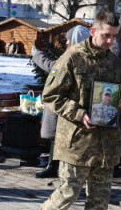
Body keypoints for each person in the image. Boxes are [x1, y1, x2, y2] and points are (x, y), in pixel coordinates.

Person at [30, 10, 121, 210]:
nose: (110, 41)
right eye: (106, 35)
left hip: (106, 143)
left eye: (114, 36)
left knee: (99, 198)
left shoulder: (115, 63)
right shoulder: (72, 58)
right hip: (77, 141)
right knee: (69, 192)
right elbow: (51, 96)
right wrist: (78, 113)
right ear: (93, 31)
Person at [31, 25, 90, 178]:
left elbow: (51, 66)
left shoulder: (72, 58)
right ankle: (54, 166)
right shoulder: (83, 57)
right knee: (57, 138)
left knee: (60, 137)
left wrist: (36, 55)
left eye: (69, 40)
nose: (66, 42)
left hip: (66, 107)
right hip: (69, 107)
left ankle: (56, 167)